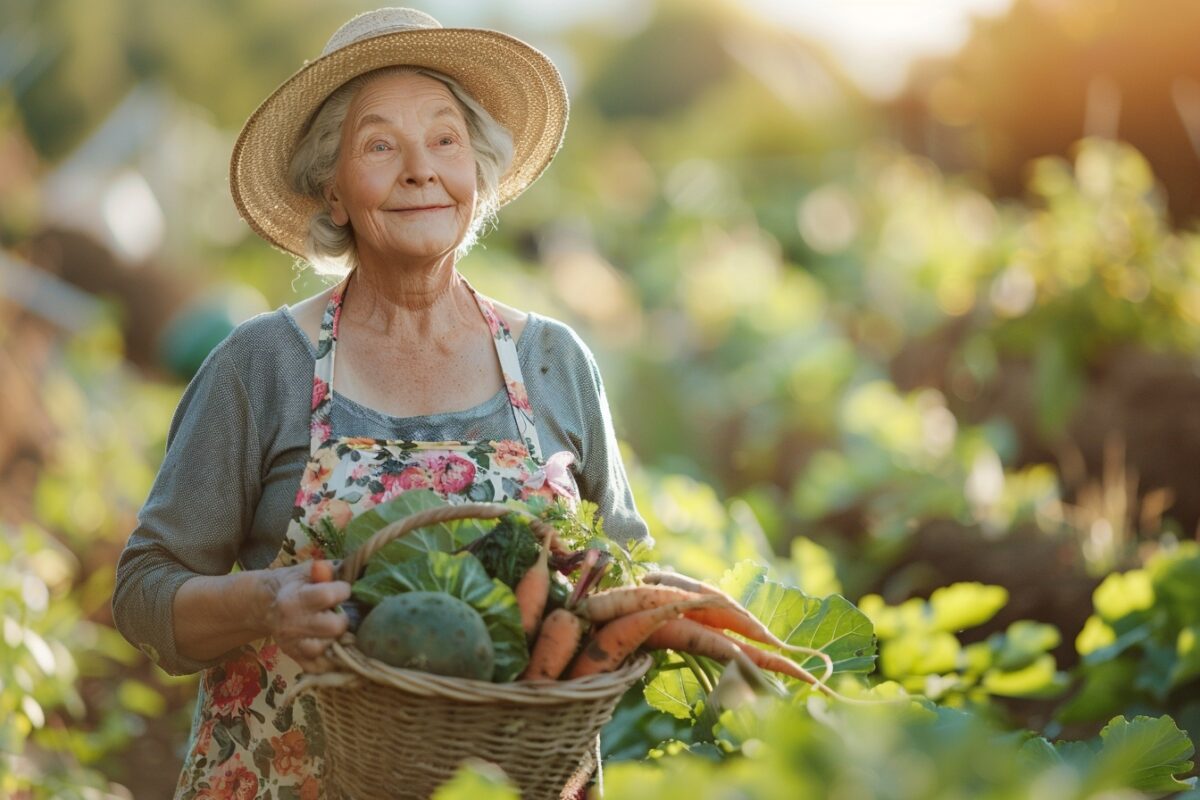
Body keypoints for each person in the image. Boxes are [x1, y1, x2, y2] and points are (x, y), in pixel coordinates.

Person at [112, 8, 649, 797]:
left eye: (444, 139)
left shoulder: (554, 361)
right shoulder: (262, 365)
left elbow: (627, 564)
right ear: (332, 191)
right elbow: (143, 593)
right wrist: (265, 602)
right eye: (378, 145)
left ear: (478, 173)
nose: (419, 170)